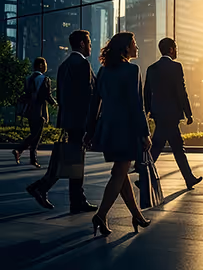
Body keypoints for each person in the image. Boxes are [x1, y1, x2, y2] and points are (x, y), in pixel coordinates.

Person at [84, 32, 152, 237]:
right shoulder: (132, 70)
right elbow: (136, 105)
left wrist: (90, 130)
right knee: (119, 173)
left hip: (107, 128)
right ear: (125, 48)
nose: (137, 47)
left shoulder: (104, 71)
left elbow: (94, 103)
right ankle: (101, 215)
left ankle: (137, 215)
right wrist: (145, 133)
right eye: (134, 43)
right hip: (126, 129)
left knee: (120, 172)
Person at [26, 31, 97, 213]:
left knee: (72, 160)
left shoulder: (64, 65)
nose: (90, 46)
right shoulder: (82, 64)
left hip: (67, 119)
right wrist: (92, 123)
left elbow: (62, 96)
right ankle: (44, 187)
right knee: (74, 159)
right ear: (82, 44)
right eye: (89, 43)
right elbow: (87, 96)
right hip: (80, 120)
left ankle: (75, 199)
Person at [144, 38, 202, 190]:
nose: (177, 51)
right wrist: (188, 113)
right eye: (175, 48)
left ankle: (188, 178)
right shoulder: (176, 67)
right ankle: (145, 178)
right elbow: (181, 92)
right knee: (168, 147)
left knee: (168, 146)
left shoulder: (152, 68)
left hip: (158, 113)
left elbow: (146, 92)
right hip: (172, 113)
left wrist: (149, 110)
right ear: (170, 49)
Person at [12, 57, 57, 169]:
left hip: (29, 110)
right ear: (41, 66)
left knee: (34, 134)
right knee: (36, 135)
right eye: (45, 64)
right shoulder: (45, 79)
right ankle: (19, 150)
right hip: (40, 111)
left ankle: (32, 158)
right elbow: (47, 95)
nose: (46, 66)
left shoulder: (28, 79)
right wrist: (55, 103)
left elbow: (27, 94)